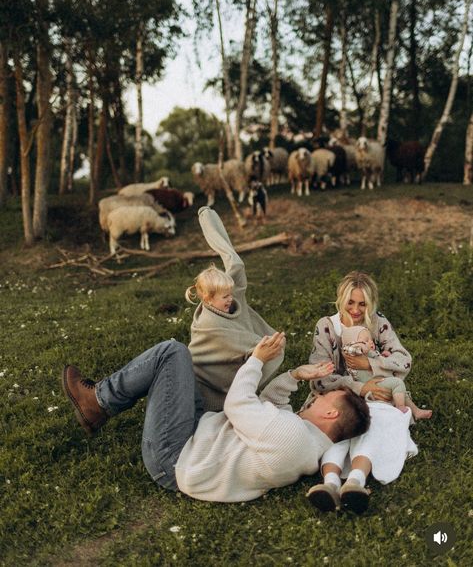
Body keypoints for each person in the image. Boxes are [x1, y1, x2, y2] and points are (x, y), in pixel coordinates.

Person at [61, 333, 370, 502]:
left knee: (172, 352)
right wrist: (293, 375)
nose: (316, 395)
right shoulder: (304, 446)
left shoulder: (291, 436)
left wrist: (256, 361)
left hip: (174, 457)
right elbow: (267, 406)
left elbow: (239, 405)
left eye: (322, 397)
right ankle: (101, 400)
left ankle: (98, 402)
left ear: (330, 412)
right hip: (197, 437)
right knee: (183, 368)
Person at [305, 271, 419, 514]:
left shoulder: (378, 322)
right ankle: (331, 483)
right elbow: (319, 378)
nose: (356, 310)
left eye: (362, 304)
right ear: (340, 300)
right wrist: (359, 386)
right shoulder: (326, 327)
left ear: (371, 304)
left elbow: (404, 360)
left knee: (375, 422)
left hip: (375, 396)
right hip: (338, 394)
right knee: (338, 421)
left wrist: (371, 366)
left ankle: (356, 481)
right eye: (350, 302)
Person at [187, 206, 284, 412]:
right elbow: (240, 345)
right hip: (212, 390)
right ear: (207, 298)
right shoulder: (210, 326)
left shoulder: (227, 298)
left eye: (231, 294)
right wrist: (267, 345)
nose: (231, 299)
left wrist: (207, 216)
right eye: (225, 297)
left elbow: (235, 265)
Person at [341, 325, 432, 419]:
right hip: (371, 385)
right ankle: (400, 407)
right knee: (398, 383)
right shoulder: (353, 353)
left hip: (379, 381)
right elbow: (354, 348)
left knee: (402, 392)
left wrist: (385, 357)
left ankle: (416, 411)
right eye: (366, 340)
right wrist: (362, 345)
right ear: (354, 342)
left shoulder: (370, 352)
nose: (371, 342)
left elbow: (378, 363)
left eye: (371, 339)